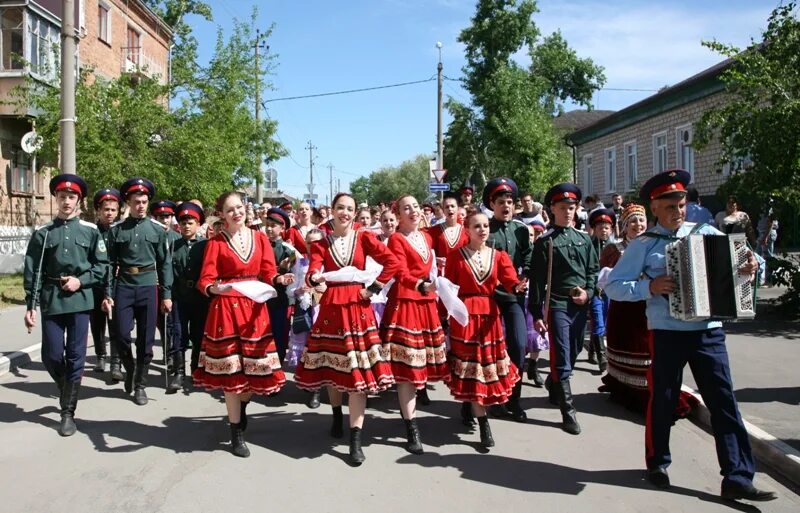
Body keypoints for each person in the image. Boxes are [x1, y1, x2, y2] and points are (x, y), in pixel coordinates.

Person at [605, 170, 776, 502]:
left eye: (681, 205)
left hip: (708, 331)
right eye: (669, 206)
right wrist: (649, 286)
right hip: (667, 332)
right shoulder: (644, 245)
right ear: (654, 207)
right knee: (664, 399)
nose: (677, 211)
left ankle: (738, 476)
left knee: (724, 402)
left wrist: (751, 266)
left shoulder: (705, 231)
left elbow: (747, 263)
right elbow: (613, 285)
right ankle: (658, 463)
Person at [294, 192, 400, 465]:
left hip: (358, 306)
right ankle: (337, 415)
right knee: (334, 367)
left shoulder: (364, 237)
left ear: (355, 213)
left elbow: (393, 262)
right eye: (340, 207)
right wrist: (314, 276)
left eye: (349, 209)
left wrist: (374, 288)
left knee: (356, 375)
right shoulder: (321, 240)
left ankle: (355, 437)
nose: (345, 213)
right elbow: (313, 269)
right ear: (332, 210)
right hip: (331, 307)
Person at [193, 191, 295, 457]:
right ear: (223, 216)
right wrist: (216, 288)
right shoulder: (216, 243)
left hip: (253, 311)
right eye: (230, 210)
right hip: (226, 310)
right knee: (231, 375)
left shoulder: (260, 238)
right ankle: (235, 431)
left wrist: (279, 280)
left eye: (239, 207)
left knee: (253, 373)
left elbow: (268, 271)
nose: (237, 212)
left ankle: (242, 408)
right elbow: (204, 280)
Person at [23, 174, 108, 436]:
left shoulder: (90, 231)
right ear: (56, 199)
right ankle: (67, 387)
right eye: (62, 197)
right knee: (51, 355)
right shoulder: (43, 234)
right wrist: (30, 305)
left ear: (78, 200)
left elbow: (102, 266)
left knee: (76, 357)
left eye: (71, 197)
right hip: (51, 298)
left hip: (80, 299)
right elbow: (33, 270)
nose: (66, 201)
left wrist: (80, 282)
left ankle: (67, 412)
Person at [598, 203, 698, 417]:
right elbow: (607, 279)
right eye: (633, 221)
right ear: (625, 226)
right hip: (625, 308)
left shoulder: (655, 244)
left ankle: (651, 396)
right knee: (627, 346)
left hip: (649, 306)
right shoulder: (614, 249)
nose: (638, 224)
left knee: (649, 352)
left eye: (641, 220)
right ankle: (624, 390)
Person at [445, 211, 525, 449]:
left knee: (483, 366)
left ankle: (471, 405)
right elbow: (449, 289)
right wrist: (445, 315)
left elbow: (510, 280)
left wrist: (517, 286)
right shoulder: (455, 257)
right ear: (467, 230)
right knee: (470, 366)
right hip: (465, 317)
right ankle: (483, 424)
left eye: (485, 225)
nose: (482, 229)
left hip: (489, 315)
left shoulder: (499, 256)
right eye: (476, 226)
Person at [380, 195, 449, 455]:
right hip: (405, 304)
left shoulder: (428, 237)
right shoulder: (396, 239)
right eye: (406, 208)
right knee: (406, 369)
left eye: (416, 207)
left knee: (420, 366)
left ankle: (415, 414)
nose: (413, 211)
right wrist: (422, 285)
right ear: (398, 214)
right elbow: (400, 272)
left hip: (425, 304)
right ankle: (411, 427)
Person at [529, 183, 598, 435]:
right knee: (562, 352)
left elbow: (592, 270)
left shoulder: (584, 239)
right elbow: (537, 282)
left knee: (576, 348)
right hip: (557, 303)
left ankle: (554, 382)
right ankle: (568, 412)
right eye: (562, 208)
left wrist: (589, 293)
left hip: (580, 305)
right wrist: (537, 314)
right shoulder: (545, 242)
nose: (568, 212)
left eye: (572, 207)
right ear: (552, 209)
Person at [107, 178, 173, 406]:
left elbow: (165, 264)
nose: (141, 206)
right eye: (137, 202)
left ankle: (140, 385)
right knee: (122, 335)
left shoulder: (157, 230)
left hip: (147, 286)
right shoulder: (117, 230)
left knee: (145, 339)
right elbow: (108, 263)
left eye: (145, 201)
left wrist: (166, 294)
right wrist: (108, 293)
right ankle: (130, 368)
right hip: (123, 285)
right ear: (128, 202)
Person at [484, 178, 531, 422]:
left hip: (513, 296)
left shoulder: (521, 230)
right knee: (487, 349)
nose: (506, 206)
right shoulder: (484, 228)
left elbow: (529, 257)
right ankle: (488, 400)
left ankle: (514, 399)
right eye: (501, 202)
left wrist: (525, 276)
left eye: (510, 202)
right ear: (492, 204)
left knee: (518, 345)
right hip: (489, 297)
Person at [166, 202, 209, 393]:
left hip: (200, 298)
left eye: (190, 222)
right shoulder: (173, 245)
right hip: (179, 296)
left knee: (199, 335)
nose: (186, 226)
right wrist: (166, 296)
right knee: (178, 335)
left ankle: (196, 370)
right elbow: (166, 271)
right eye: (183, 222)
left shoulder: (206, 245)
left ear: (198, 224)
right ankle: (179, 373)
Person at [285, 228, 327, 408]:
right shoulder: (300, 262)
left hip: (323, 310)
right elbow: (290, 289)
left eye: (317, 242)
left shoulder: (330, 262)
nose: (312, 246)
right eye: (309, 242)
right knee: (307, 351)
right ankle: (312, 387)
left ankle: (319, 388)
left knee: (321, 350)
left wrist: (325, 289)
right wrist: (298, 290)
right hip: (305, 309)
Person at [89, 188, 122, 378]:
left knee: (115, 322)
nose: (109, 213)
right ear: (98, 211)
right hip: (96, 282)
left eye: (113, 210)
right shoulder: (92, 232)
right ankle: (100, 355)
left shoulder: (119, 231)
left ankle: (115, 361)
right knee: (97, 321)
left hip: (116, 283)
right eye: (106, 209)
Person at [263, 207, 300, 363]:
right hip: (262, 297)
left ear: (282, 228)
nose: (270, 229)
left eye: (274, 226)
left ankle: (277, 362)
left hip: (279, 298)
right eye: (268, 225)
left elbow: (294, 270)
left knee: (279, 333)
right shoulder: (260, 244)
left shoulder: (289, 250)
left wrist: (283, 269)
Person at [585, 208, 615, 372]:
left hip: (610, 291)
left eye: (606, 228)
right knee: (598, 321)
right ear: (594, 229)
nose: (603, 231)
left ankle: (591, 349)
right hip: (596, 291)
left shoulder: (614, 247)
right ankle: (602, 356)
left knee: (606, 320)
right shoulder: (589, 245)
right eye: (600, 228)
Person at [523, 219, 548, 386]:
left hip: (536, 297)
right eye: (529, 235)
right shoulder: (519, 251)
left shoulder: (541, 251)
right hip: (520, 298)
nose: (532, 238)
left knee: (537, 334)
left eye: (534, 234)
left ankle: (533, 365)